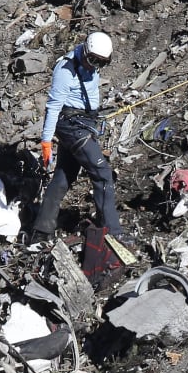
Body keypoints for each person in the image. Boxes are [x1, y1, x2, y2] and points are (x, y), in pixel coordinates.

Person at [30, 31, 127, 244]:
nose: (95, 66)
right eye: (92, 60)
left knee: (64, 176)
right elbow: (53, 107)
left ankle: (41, 230)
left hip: (84, 122)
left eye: (102, 63)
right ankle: (112, 231)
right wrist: (46, 141)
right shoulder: (65, 70)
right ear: (84, 51)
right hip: (71, 126)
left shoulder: (92, 66)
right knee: (102, 173)